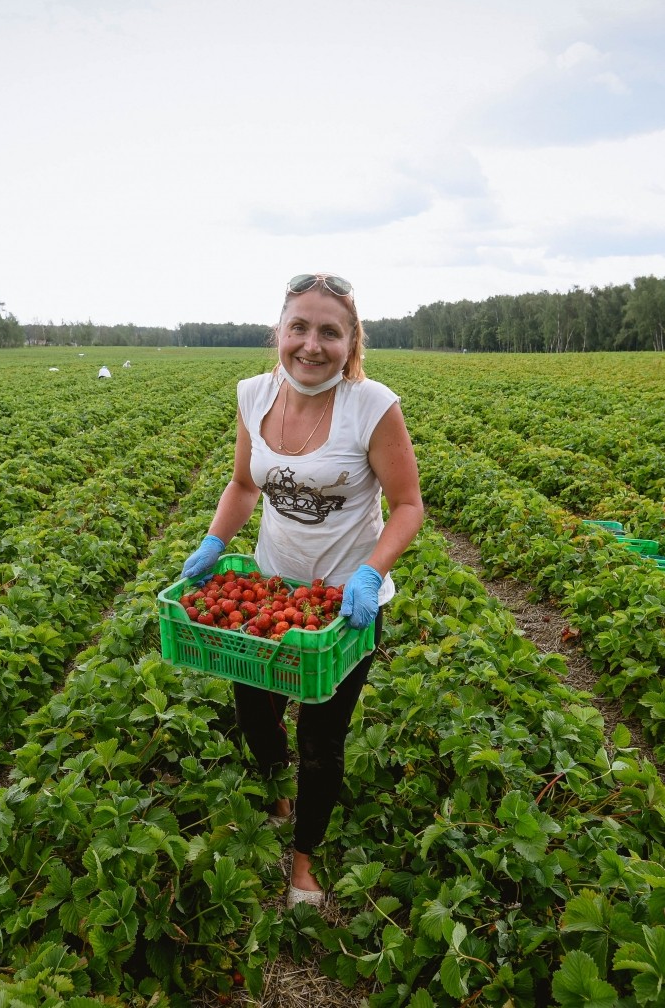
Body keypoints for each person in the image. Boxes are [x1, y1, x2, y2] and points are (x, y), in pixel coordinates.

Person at [180, 272, 424, 908]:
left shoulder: (372, 406)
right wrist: (213, 542)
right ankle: (276, 797)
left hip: (344, 604)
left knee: (321, 739)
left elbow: (407, 505)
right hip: (268, 590)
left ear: (351, 343)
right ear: (279, 333)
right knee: (254, 714)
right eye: (299, 327)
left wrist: (369, 573)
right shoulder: (254, 395)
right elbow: (242, 485)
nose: (311, 344)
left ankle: (305, 860)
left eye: (329, 332)